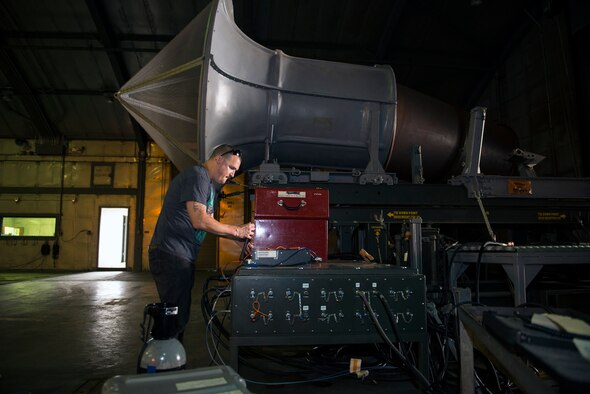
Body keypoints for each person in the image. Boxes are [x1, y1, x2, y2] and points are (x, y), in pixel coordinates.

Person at [148, 144, 255, 342]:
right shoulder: (198, 176)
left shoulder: (209, 187)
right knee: (174, 316)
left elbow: (209, 224)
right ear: (218, 159)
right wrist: (238, 230)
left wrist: (239, 241)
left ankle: (169, 359)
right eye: (232, 168)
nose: (232, 174)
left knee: (178, 314)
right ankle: (164, 365)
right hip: (171, 253)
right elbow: (200, 221)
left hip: (180, 255)